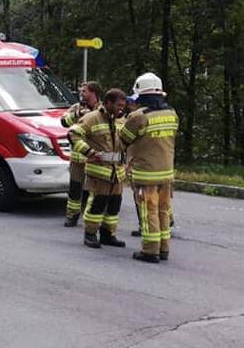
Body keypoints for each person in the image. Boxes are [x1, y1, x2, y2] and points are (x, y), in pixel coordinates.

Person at [121, 73, 178, 263]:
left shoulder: (138, 117)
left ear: (141, 96)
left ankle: (150, 251)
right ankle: (164, 249)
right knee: (163, 210)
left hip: (146, 173)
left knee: (148, 211)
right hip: (167, 172)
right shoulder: (172, 113)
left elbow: (124, 139)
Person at [68, 89, 128, 249]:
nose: (121, 109)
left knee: (114, 205)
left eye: (123, 106)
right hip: (99, 172)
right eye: (118, 105)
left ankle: (108, 235)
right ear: (108, 102)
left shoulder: (121, 120)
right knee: (97, 204)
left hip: (118, 173)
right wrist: (88, 152)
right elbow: (73, 134)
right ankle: (90, 234)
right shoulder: (92, 118)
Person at [61, 81, 103, 227]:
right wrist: (78, 114)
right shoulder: (77, 107)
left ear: (93, 93)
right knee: (75, 188)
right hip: (78, 157)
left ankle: (94, 218)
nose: (81, 93)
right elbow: (63, 121)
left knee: (96, 190)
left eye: (84, 91)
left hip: (95, 157)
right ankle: (72, 216)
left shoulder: (103, 109)